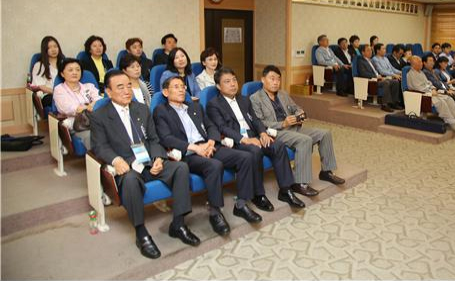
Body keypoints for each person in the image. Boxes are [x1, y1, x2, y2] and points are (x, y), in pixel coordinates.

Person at [91, 70, 198, 259]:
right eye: (120, 87)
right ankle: (141, 233)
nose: (126, 91)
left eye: (128, 86)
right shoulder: (100, 115)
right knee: (130, 180)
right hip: (126, 164)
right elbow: (99, 146)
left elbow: (154, 139)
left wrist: (158, 158)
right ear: (108, 92)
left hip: (148, 162)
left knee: (181, 168)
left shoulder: (141, 109)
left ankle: (178, 224)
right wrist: (116, 160)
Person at [154, 76, 266, 233]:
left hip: (209, 146)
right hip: (188, 153)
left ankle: (241, 204)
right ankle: (215, 212)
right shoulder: (161, 111)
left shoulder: (195, 106)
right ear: (166, 92)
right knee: (215, 165)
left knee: (245, 157)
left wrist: (211, 142)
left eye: (182, 86)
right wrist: (195, 148)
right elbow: (166, 138)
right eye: (176, 87)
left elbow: (211, 126)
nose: (181, 89)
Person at [207, 68, 305, 212]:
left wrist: (263, 133)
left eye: (234, 80)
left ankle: (285, 190)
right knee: (255, 150)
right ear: (218, 86)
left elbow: (256, 120)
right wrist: (244, 140)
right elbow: (222, 128)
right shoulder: (214, 104)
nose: (233, 84)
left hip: (254, 134)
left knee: (277, 145)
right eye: (227, 82)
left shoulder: (244, 99)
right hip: (235, 140)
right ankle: (258, 195)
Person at [251, 65, 345, 197]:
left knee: (325, 133)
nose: (275, 82)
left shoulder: (283, 94)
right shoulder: (255, 98)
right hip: (277, 132)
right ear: (263, 80)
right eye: (272, 79)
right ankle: (300, 183)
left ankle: (326, 172)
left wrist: (300, 113)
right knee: (305, 140)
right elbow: (258, 122)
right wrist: (282, 123)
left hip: (294, 127)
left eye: (278, 79)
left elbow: (296, 107)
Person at [406, 56, 455, 134]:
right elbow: (418, 88)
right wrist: (431, 91)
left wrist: (433, 88)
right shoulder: (411, 74)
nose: (421, 64)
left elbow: (429, 83)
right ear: (413, 64)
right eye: (419, 62)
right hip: (423, 95)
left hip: (431, 92)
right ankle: (451, 122)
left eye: (421, 62)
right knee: (442, 102)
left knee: (448, 99)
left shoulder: (420, 72)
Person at [53, 58, 102, 149]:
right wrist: (90, 106)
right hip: (77, 124)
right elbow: (67, 108)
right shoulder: (59, 89)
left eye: (78, 70)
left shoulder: (89, 87)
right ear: (62, 74)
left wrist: (86, 107)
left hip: (96, 121)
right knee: (92, 137)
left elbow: (99, 101)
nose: (75, 72)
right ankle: (100, 162)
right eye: (70, 70)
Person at [422, 54, 455, 120]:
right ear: (424, 63)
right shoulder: (426, 72)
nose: (432, 62)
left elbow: (440, 82)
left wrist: (448, 89)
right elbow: (436, 84)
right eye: (430, 61)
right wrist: (446, 90)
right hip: (437, 91)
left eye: (433, 61)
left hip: (442, 88)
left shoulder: (432, 71)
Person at [357, 45, 403, 112]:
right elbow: (363, 73)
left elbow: (386, 70)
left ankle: (393, 103)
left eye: (371, 50)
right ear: (363, 52)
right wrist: (376, 76)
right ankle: (385, 104)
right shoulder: (361, 61)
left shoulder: (370, 60)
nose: (370, 52)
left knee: (395, 82)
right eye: (368, 50)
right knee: (386, 83)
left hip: (377, 79)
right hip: (370, 81)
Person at [31, 36, 65, 108]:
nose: (53, 50)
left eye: (55, 46)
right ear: (45, 50)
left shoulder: (64, 63)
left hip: (66, 93)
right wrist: (59, 93)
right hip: (48, 95)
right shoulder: (39, 65)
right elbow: (41, 86)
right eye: (49, 47)